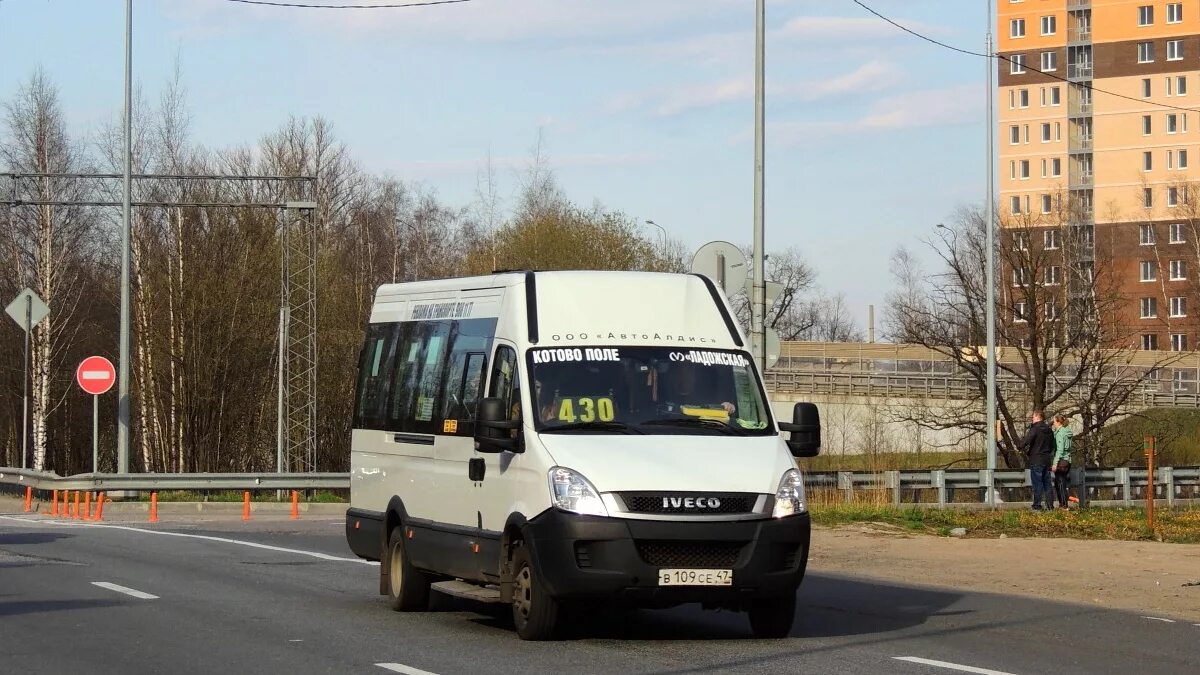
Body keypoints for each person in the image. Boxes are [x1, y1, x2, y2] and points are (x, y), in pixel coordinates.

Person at [1018, 409, 1056, 510]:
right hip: (1046, 460)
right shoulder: (1049, 430)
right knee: (1047, 484)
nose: (1032, 419)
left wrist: (1020, 446)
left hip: (1036, 460)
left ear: (1038, 417)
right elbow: (1052, 445)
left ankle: (1037, 506)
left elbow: (1027, 440)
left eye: (1033, 417)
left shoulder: (1035, 429)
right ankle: (1050, 506)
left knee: (1037, 484)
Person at [1051, 414, 1073, 510]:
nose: (1053, 424)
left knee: (1059, 483)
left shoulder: (1060, 434)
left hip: (1061, 461)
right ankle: (1063, 505)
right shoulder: (1067, 431)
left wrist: (1055, 463)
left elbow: (1060, 450)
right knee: (1061, 482)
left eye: (1054, 422)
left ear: (1058, 422)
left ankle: (1063, 505)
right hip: (1068, 460)